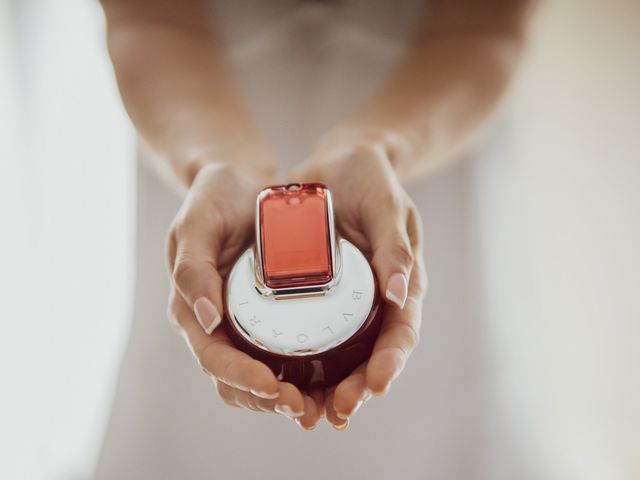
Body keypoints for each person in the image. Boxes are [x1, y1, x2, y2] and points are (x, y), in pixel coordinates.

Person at [95, 0, 533, 477]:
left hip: (423, 138)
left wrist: (383, 147)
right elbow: (148, 19)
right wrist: (211, 160)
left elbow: (485, 26)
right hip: (196, 146)